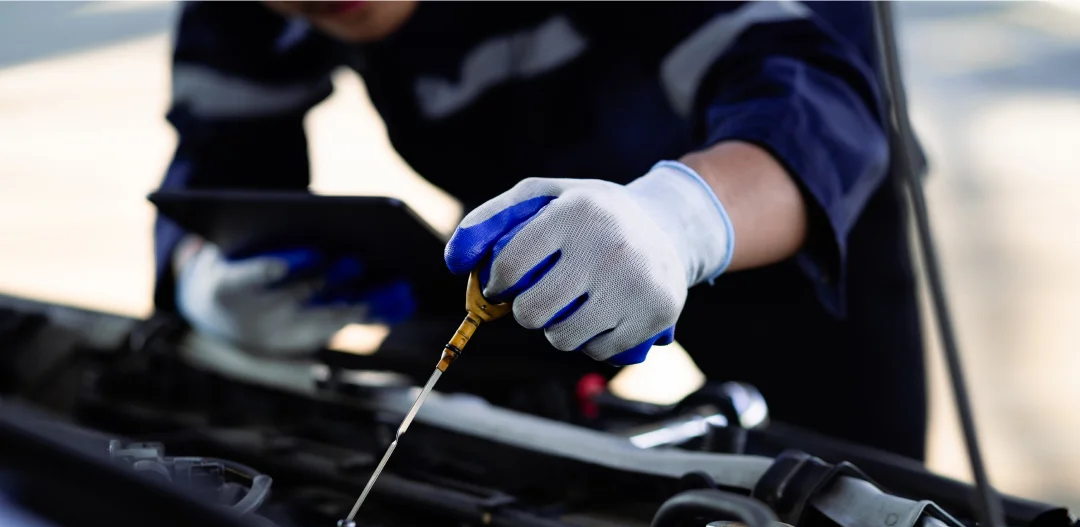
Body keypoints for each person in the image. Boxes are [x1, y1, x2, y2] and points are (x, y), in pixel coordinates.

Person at [154, 1, 927, 460]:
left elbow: (811, 92)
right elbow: (219, 167)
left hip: (764, 207)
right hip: (518, 228)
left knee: (855, 517)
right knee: (435, 453)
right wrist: (202, 278)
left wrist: (679, 220)